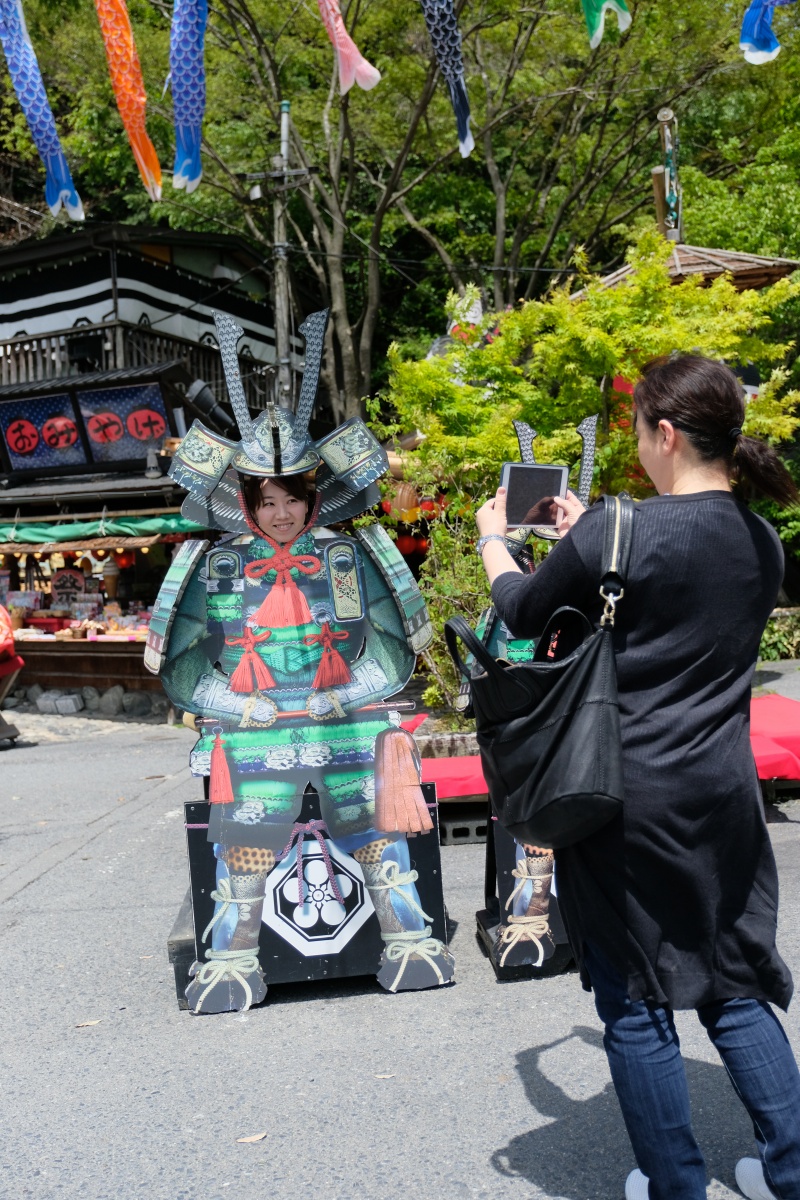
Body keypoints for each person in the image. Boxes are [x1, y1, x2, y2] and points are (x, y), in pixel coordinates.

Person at [475, 354, 800, 1200]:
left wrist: (490, 541)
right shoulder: (761, 540)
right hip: (724, 793)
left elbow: (520, 612)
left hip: (628, 796)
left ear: (664, 432)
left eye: (638, 434)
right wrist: (595, 532)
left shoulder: (620, 529)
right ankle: (791, 1171)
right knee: (732, 974)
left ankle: (675, 1187)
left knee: (636, 999)